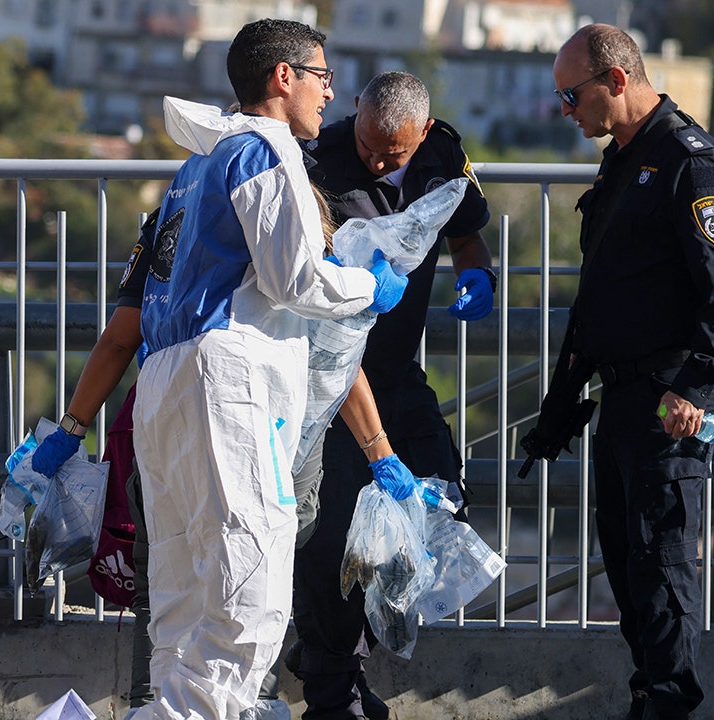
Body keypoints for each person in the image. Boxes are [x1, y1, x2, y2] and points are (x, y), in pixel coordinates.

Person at [127, 18, 410, 720]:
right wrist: (369, 287)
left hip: (165, 383)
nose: (328, 94)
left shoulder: (197, 165)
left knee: (185, 596)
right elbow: (293, 280)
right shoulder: (264, 149)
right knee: (247, 589)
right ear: (284, 77)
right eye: (323, 78)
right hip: (227, 381)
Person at [530, 24, 714, 720]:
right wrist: (560, 406)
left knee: (660, 567)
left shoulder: (690, 163)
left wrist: (695, 389)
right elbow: (603, 295)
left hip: (666, 403)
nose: (567, 110)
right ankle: (648, 692)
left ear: (617, 80)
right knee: (627, 566)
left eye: (573, 95)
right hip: (621, 399)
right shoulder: (623, 160)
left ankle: (668, 702)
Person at [289, 70, 496, 720]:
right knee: (336, 548)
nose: (378, 160)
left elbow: (465, 229)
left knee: (441, 503)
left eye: (393, 153)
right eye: (372, 146)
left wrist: (478, 274)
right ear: (356, 112)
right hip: (331, 388)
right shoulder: (318, 160)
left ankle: (331, 657)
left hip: (397, 376)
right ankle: (335, 694)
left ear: (424, 134)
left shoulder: (442, 155)